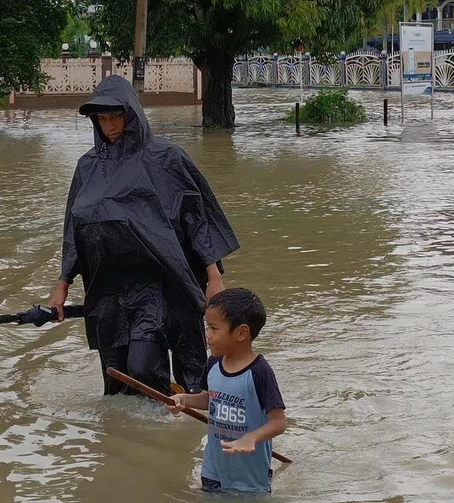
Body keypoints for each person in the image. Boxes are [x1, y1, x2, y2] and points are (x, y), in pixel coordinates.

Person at [48, 75, 239, 397]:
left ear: (131, 113)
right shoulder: (88, 167)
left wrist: (213, 275)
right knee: (117, 375)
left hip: (162, 281)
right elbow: (74, 228)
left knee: (143, 366)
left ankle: (182, 407)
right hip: (109, 287)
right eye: (102, 119)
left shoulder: (166, 158)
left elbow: (197, 217)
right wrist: (63, 283)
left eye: (116, 116)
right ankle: (130, 436)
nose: (110, 125)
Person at [167, 288, 287, 495]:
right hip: (214, 468)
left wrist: (252, 437)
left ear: (241, 333)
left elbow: (278, 422)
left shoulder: (260, 372)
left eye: (214, 329)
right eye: (207, 328)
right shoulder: (213, 363)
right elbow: (211, 399)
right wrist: (184, 399)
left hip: (250, 475)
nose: (208, 336)